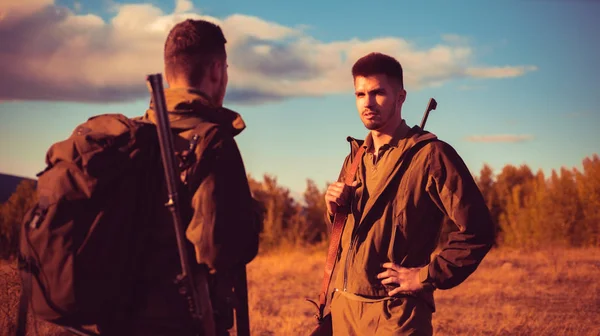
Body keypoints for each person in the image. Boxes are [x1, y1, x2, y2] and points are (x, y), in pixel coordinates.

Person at [98, 19, 261, 335]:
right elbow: (220, 250)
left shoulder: (129, 139)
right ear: (216, 70)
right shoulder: (212, 141)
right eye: (225, 69)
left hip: (117, 317)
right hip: (183, 321)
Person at [323, 52, 495, 335]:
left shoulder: (431, 155)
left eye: (378, 93)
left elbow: (478, 229)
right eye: (360, 94)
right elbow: (352, 239)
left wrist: (427, 275)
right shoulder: (355, 158)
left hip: (397, 318)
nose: (367, 103)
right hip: (345, 314)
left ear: (400, 97)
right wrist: (334, 210)